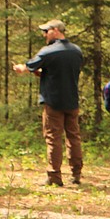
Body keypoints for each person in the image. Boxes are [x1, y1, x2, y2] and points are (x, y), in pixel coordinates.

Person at [12, 19, 85, 186]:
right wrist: (42, 73)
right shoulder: (76, 51)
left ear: (55, 30)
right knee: (74, 137)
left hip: (53, 102)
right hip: (72, 101)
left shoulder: (49, 51)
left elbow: (29, 66)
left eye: (46, 31)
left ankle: (54, 176)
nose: (44, 34)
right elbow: (61, 72)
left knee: (53, 138)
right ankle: (76, 174)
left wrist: (20, 68)